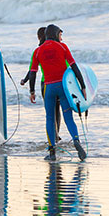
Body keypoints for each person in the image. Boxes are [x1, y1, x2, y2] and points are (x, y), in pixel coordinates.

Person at [29, 24, 87, 162]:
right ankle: (76, 140)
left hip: (48, 88)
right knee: (68, 117)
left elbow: (33, 73)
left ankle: (52, 151)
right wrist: (82, 86)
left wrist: (32, 91)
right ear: (55, 34)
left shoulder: (38, 51)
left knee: (50, 118)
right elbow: (74, 67)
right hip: (63, 87)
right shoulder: (62, 46)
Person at [21, 27, 61, 140]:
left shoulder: (38, 50)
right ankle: (56, 133)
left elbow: (32, 71)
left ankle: (54, 134)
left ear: (39, 37)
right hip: (60, 82)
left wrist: (25, 81)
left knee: (50, 112)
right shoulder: (58, 47)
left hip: (46, 84)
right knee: (57, 110)